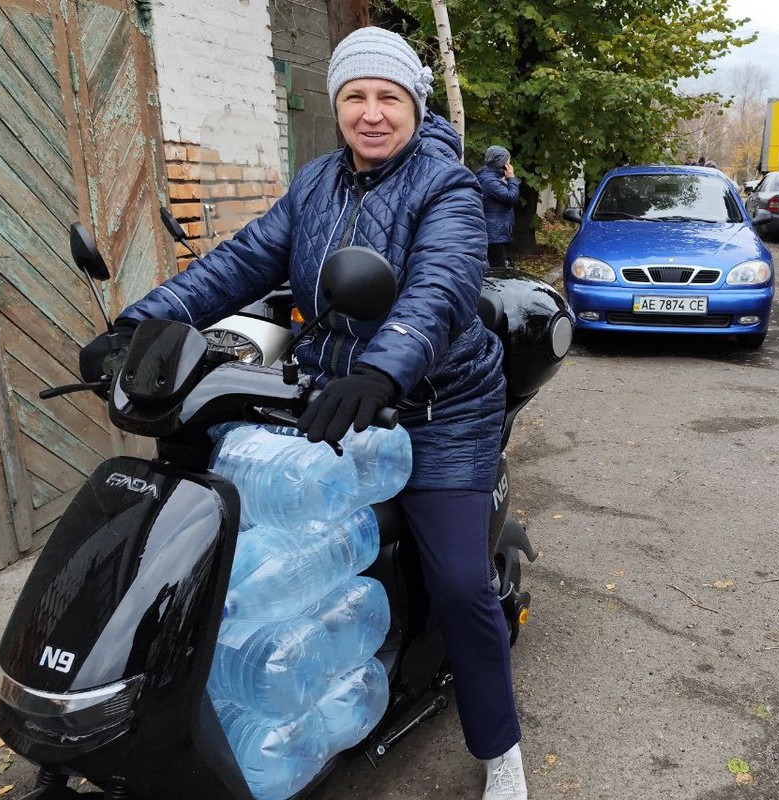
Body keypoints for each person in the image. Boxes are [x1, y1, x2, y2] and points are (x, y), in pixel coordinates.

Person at [79, 26, 528, 799]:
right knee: (248, 540)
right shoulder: (316, 182)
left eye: (389, 96)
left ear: (415, 106)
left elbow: (444, 286)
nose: (372, 113)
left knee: (459, 581)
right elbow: (240, 261)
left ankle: (501, 751)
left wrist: (387, 368)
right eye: (356, 96)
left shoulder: (446, 186)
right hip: (330, 389)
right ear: (338, 105)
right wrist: (136, 326)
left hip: (438, 405)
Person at [477, 145, 521, 272]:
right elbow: (512, 197)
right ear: (501, 163)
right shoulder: (490, 181)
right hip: (494, 233)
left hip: (494, 231)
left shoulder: (489, 177)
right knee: (498, 271)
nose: (510, 165)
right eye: (508, 162)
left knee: (496, 267)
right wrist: (511, 178)